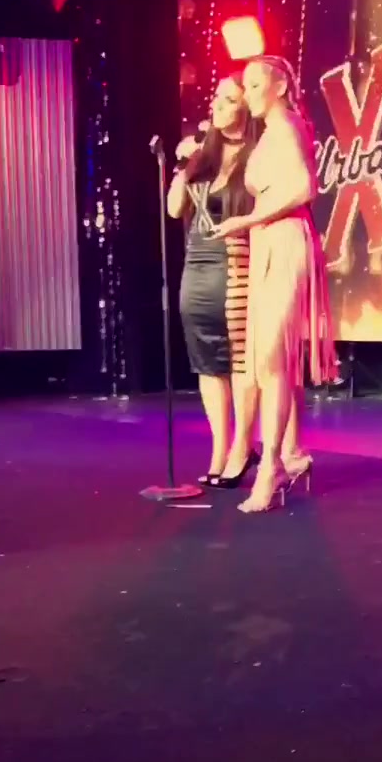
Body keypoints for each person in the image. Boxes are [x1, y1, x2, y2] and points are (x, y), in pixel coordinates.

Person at [211, 55, 338, 512]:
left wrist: (247, 219)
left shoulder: (287, 125)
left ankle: (272, 466)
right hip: (267, 240)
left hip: (284, 240)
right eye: (244, 86)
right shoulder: (270, 131)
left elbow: (305, 188)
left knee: (271, 356)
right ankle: (286, 454)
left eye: (254, 83)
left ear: (280, 85)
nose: (248, 93)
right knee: (267, 362)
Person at [167, 73, 261, 487]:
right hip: (198, 264)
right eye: (216, 98)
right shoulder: (203, 156)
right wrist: (183, 166)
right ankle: (219, 451)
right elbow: (175, 209)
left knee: (239, 360)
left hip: (237, 262)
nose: (218, 105)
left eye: (229, 99)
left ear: (246, 108)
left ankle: (243, 447)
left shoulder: (257, 154)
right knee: (207, 362)